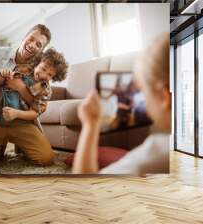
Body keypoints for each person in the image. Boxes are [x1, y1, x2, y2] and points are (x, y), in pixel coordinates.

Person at [0, 24, 61, 174]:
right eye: (31, 39)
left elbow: (38, 107)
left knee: (46, 158)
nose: (33, 45)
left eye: (38, 45)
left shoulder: (38, 72)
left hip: (21, 122)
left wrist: (21, 88)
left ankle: (19, 144)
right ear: (24, 37)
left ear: (41, 51)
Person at [72, 33, 170, 176]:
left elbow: (85, 190)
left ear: (163, 97)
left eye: (144, 91)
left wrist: (90, 125)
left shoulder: (154, 154)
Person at [0, 48, 68, 125]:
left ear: (54, 77)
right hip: (3, 105)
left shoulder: (44, 90)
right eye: (43, 69)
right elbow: (2, 83)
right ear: (37, 64)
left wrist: (16, 113)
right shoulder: (24, 69)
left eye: (50, 75)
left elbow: (35, 112)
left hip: (21, 119)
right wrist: (3, 75)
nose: (43, 75)